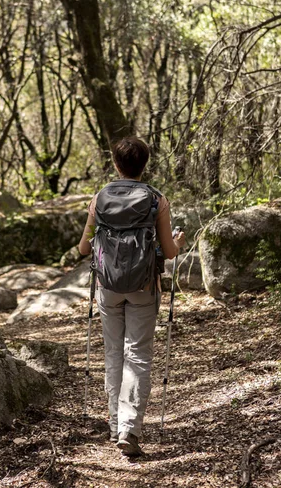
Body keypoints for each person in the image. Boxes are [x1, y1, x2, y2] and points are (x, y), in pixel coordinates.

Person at [79, 136, 185, 456]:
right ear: (145, 164)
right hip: (144, 286)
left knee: (114, 354)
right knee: (137, 355)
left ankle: (115, 425)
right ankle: (129, 428)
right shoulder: (156, 200)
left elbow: (84, 248)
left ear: (115, 164)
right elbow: (168, 251)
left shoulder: (100, 198)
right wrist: (178, 241)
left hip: (107, 287)